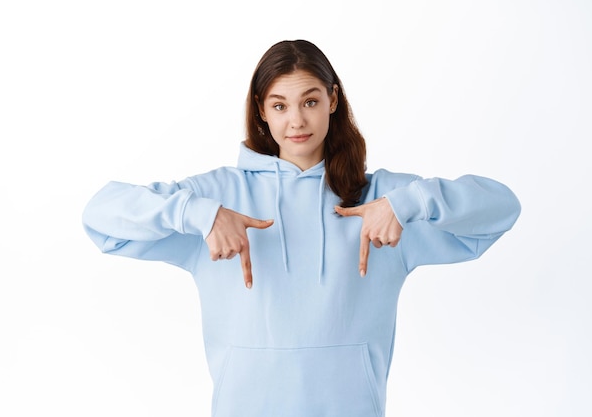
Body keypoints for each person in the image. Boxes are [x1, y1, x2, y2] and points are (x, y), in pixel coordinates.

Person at [82, 39, 521, 417]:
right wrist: (200, 215)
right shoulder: (217, 197)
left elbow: (502, 207)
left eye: (309, 102)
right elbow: (101, 216)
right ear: (262, 111)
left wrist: (412, 202)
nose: (296, 121)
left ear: (332, 100)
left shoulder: (382, 203)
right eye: (280, 105)